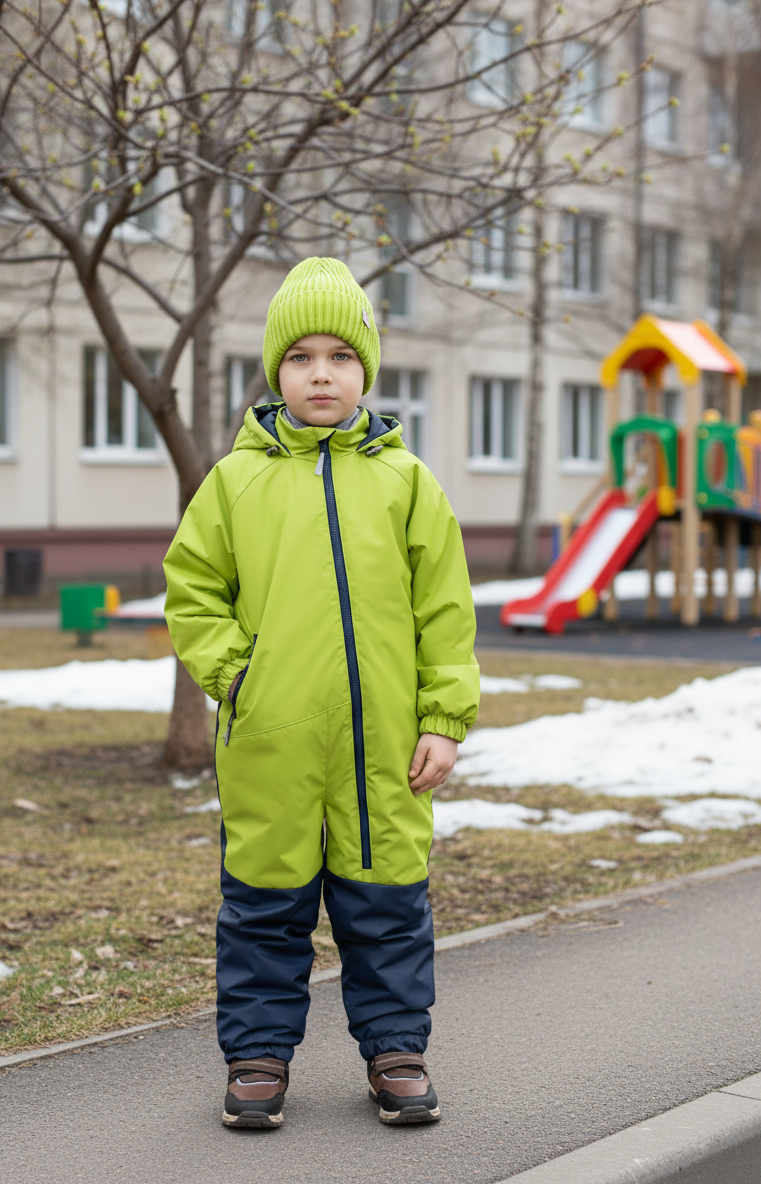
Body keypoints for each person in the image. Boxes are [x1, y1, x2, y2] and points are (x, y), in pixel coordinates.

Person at [164, 256, 479, 1129]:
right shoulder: (235, 482)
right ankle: (259, 1057)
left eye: (340, 356)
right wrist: (238, 679)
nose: (321, 374)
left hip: (384, 745)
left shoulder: (406, 482)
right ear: (276, 373)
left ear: (366, 371)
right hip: (274, 738)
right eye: (300, 357)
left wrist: (444, 720)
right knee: (265, 907)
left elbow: (444, 611)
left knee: (387, 908)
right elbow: (193, 592)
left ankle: (396, 1051)